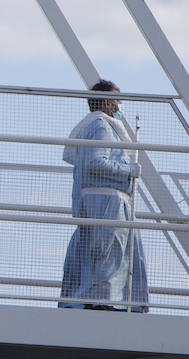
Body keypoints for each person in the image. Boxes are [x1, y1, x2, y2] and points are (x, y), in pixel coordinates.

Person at [59, 79, 148, 312]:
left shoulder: (94, 125)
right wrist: (128, 170)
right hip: (107, 201)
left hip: (99, 199)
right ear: (108, 102)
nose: (120, 106)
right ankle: (102, 302)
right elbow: (97, 163)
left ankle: (98, 299)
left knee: (99, 251)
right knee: (109, 252)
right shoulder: (101, 126)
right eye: (118, 100)